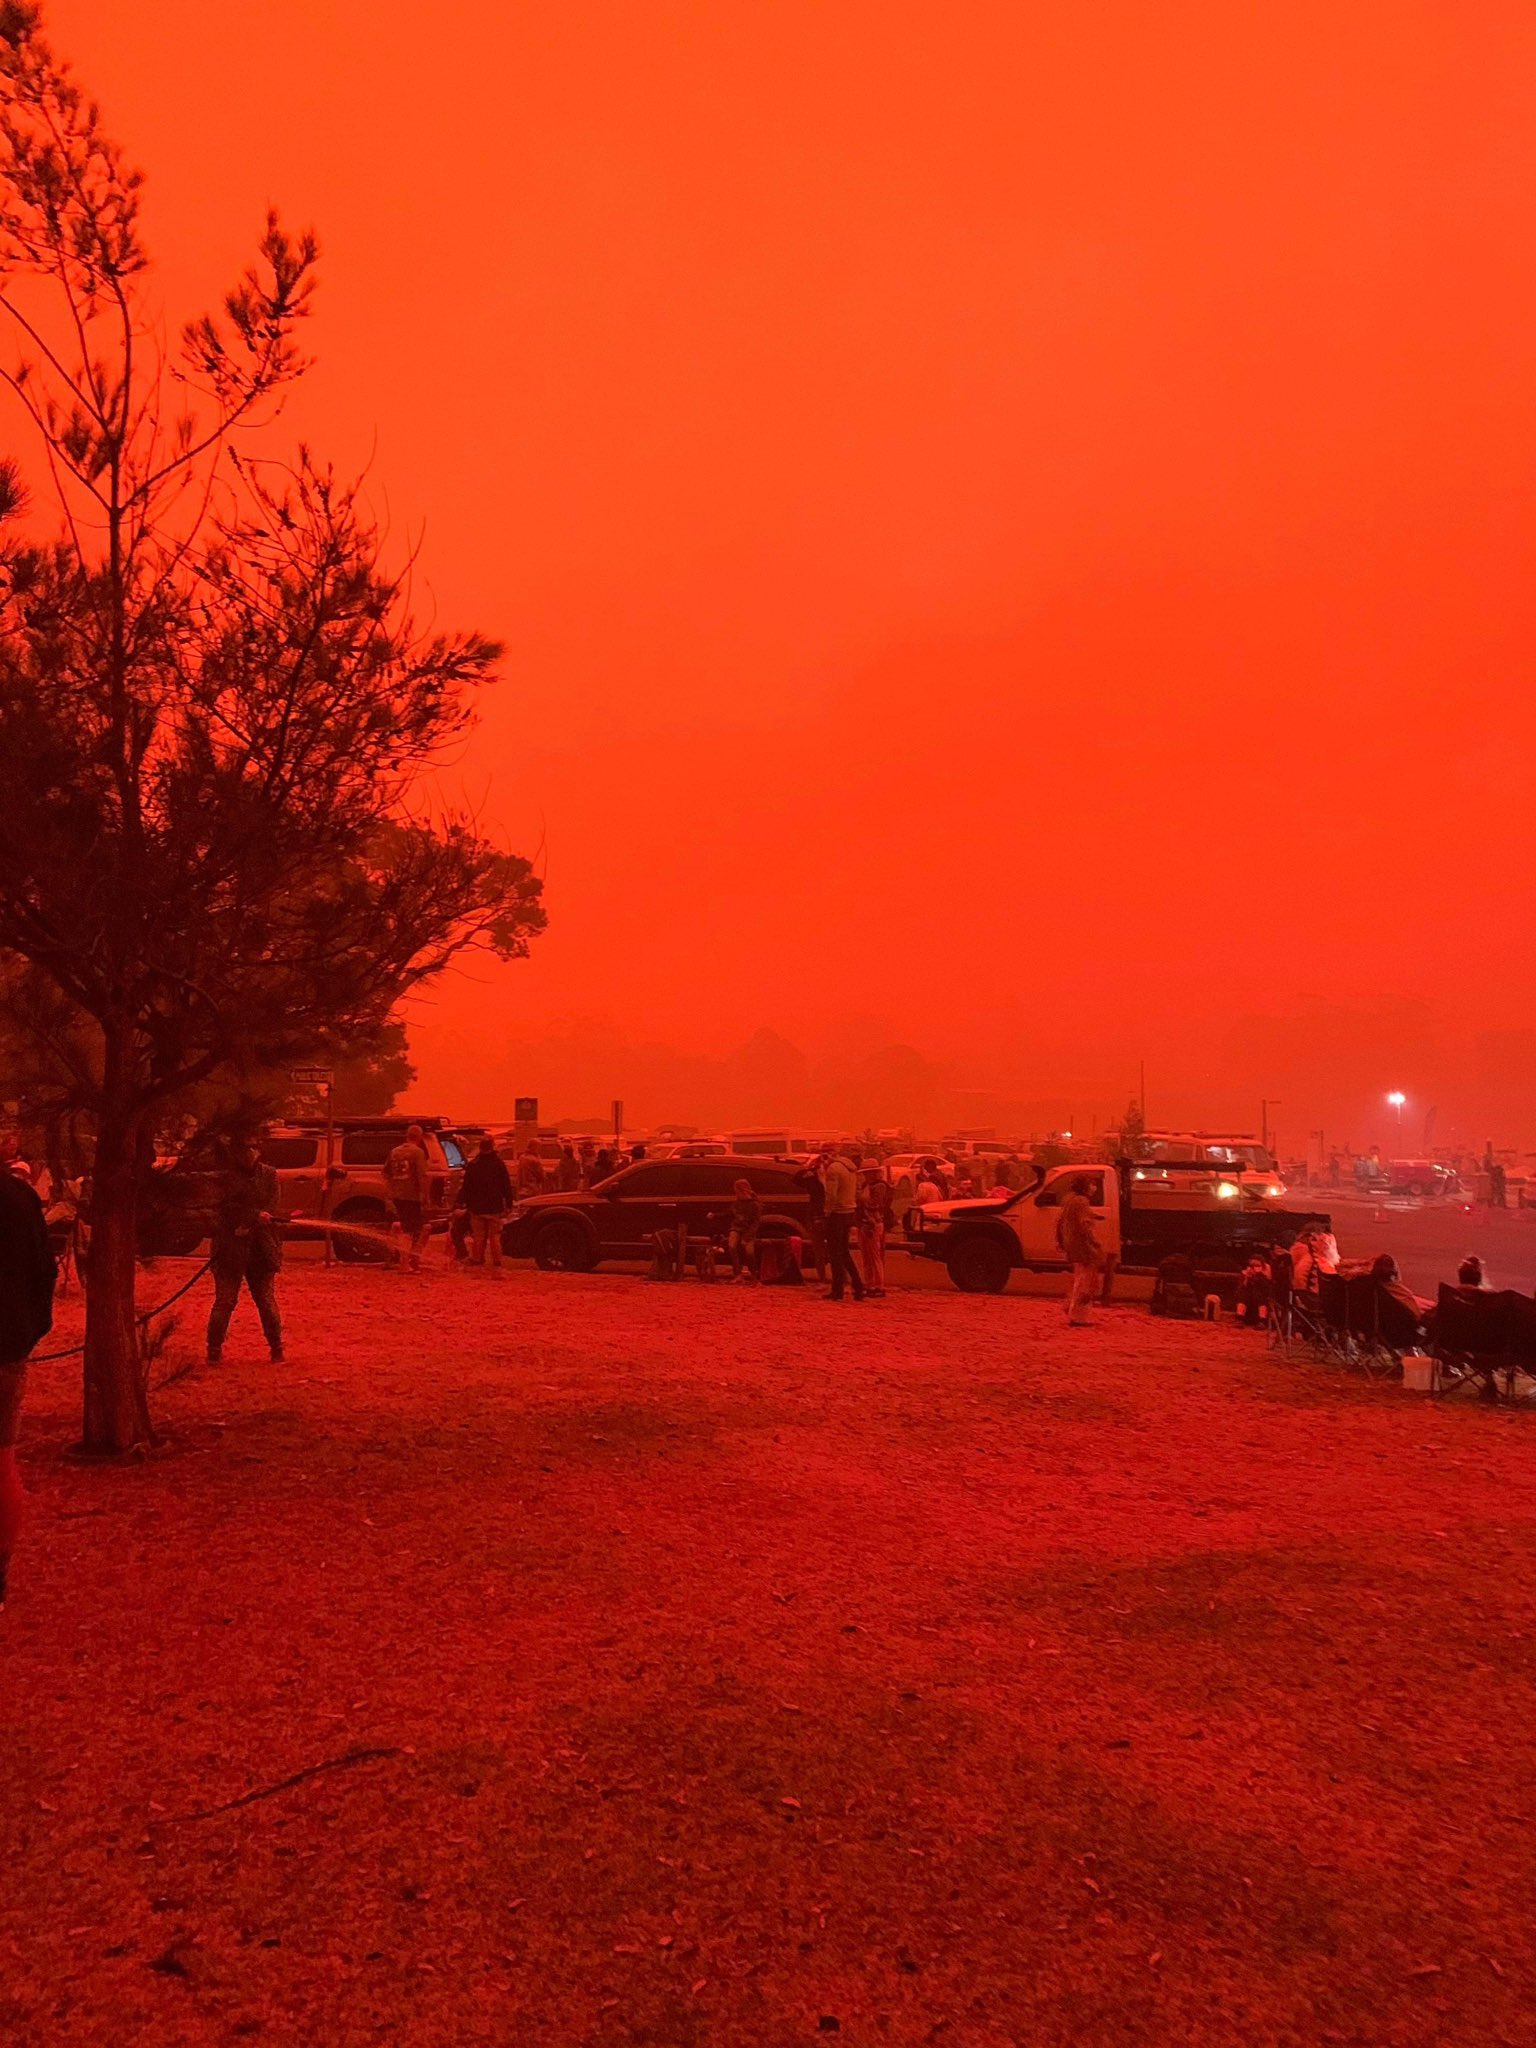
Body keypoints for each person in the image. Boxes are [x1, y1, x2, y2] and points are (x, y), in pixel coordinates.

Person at [0, 1166, 57, 1608]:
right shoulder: (19, 1197)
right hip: (7, 1346)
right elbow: (45, 1270)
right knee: (2, 1465)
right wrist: (28, 1331)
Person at [206, 1137, 284, 1364]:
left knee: (266, 1301)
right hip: (230, 1248)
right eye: (245, 1147)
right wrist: (249, 1217)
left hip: (262, 1248)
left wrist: (258, 1219)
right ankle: (213, 1350)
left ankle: (276, 1347)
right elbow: (223, 1208)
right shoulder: (226, 1178)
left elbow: (272, 1203)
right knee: (225, 1301)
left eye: (253, 1147)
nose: (250, 1152)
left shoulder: (269, 1174)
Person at [1057, 1175, 1105, 1325]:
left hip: (1071, 1243)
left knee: (1079, 1277)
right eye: (1091, 1184)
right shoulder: (1082, 1202)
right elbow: (1084, 1224)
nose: (1093, 1187)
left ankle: (1070, 1306)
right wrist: (1095, 1242)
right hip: (1082, 1245)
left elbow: (1061, 1222)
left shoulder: (1069, 1200)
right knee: (1086, 1280)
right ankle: (1078, 1316)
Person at [461, 1135, 513, 1270]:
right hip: (494, 1206)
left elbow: (466, 1187)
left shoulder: (473, 1165)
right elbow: (506, 1186)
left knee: (479, 1236)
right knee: (495, 1236)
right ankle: (497, 1261)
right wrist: (509, 1203)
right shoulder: (499, 1164)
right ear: (492, 1146)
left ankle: (477, 1259)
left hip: (477, 1207)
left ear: (480, 1147)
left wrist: (463, 1203)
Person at [384, 1123, 431, 1269]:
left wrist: (393, 1186)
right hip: (411, 1196)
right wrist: (425, 1196)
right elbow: (422, 1176)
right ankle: (405, 1263)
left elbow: (385, 1172)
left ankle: (398, 1258)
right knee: (410, 1230)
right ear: (420, 1137)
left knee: (402, 1226)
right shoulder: (417, 1152)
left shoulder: (394, 1151)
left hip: (396, 1195)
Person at [821, 1145, 865, 1302]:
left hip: (837, 1214)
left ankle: (838, 1289)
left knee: (835, 1253)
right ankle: (858, 1286)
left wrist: (826, 1212)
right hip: (849, 1212)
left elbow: (830, 1195)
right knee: (844, 1252)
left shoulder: (833, 1170)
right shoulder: (851, 1169)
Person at [857, 1166, 892, 1298]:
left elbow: (874, 1204)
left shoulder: (879, 1187)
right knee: (868, 1256)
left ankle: (878, 1285)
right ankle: (870, 1283)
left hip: (873, 1223)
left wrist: (861, 1201)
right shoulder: (871, 1186)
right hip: (868, 1222)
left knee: (874, 1256)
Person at [794, 1156, 829, 1281]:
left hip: (830, 1216)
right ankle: (823, 1279)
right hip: (817, 1215)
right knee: (818, 1251)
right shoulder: (813, 1179)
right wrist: (809, 1167)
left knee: (838, 1250)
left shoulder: (834, 1177)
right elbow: (797, 1178)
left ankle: (843, 1280)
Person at [727, 1178, 761, 1281]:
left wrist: (747, 1236)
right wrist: (715, 1215)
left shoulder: (754, 1204)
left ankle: (754, 1273)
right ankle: (737, 1273)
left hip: (748, 1229)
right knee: (732, 1246)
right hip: (737, 1227)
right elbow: (730, 1213)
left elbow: (755, 1222)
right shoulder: (737, 1203)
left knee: (749, 1251)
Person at [1235, 1252, 1272, 1326]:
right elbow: (1242, 1286)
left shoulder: (1265, 1273)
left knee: (1260, 1297)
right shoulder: (1246, 1272)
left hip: (1261, 1293)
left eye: (1257, 1265)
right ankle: (1240, 1318)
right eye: (1253, 1265)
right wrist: (1247, 1277)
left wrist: (1258, 1275)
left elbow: (1266, 1286)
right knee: (1242, 1296)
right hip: (1249, 1293)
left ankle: (1262, 1320)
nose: (1254, 1267)